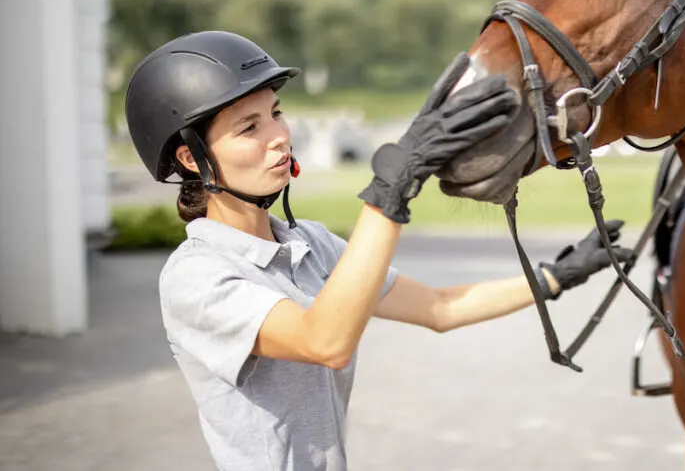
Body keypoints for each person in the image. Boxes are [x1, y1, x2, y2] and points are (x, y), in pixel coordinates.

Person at [123, 30, 633, 471]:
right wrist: (389, 192)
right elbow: (325, 340)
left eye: (275, 114)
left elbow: (438, 308)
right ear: (192, 158)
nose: (279, 137)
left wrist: (554, 277)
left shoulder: (311, 245)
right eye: (249, 127)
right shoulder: (196, 276)